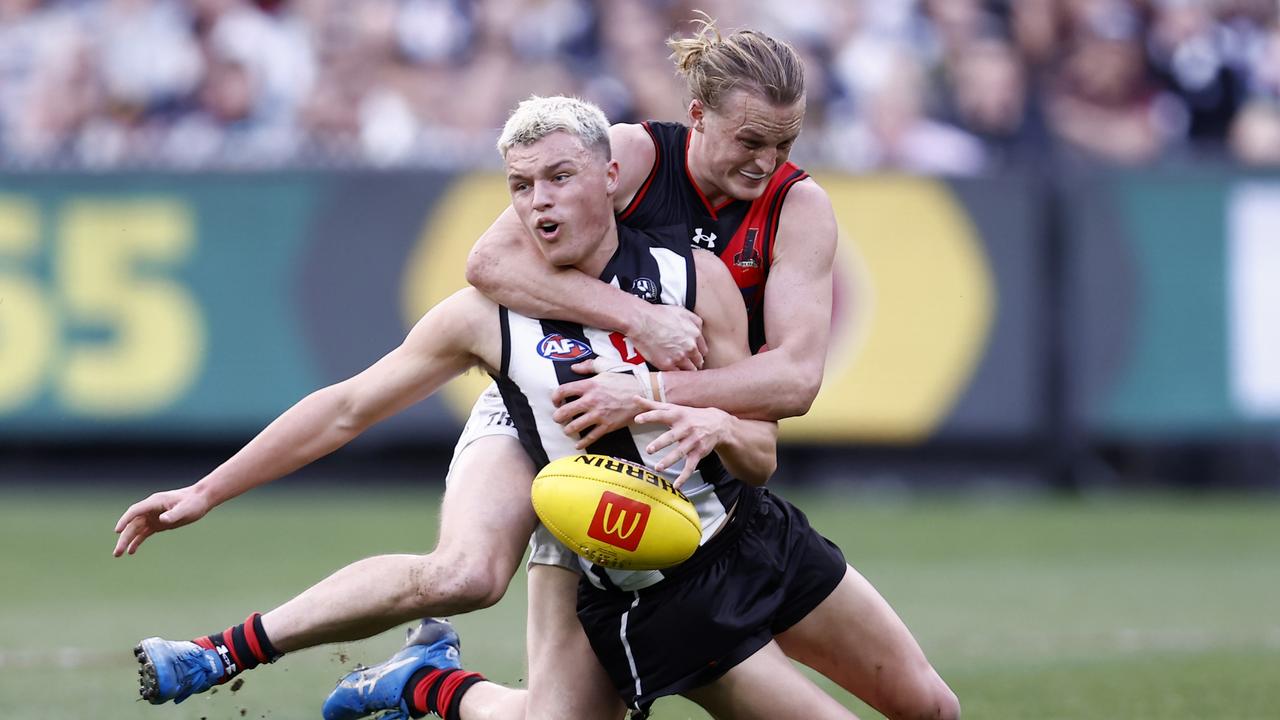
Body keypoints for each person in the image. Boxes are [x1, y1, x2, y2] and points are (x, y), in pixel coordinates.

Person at [118, 15, 958, 720]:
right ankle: (232, 650)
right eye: (526, 184)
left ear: (604, 179)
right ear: (688, 124)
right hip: (568, 437)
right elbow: (383, 371)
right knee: (468, 572)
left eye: (784, 142)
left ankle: (428, 684)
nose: (767, 162)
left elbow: (788, 394)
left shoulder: (729, 259)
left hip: (703, 470)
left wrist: (667, 388)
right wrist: (207, 490)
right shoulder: (600, 194)